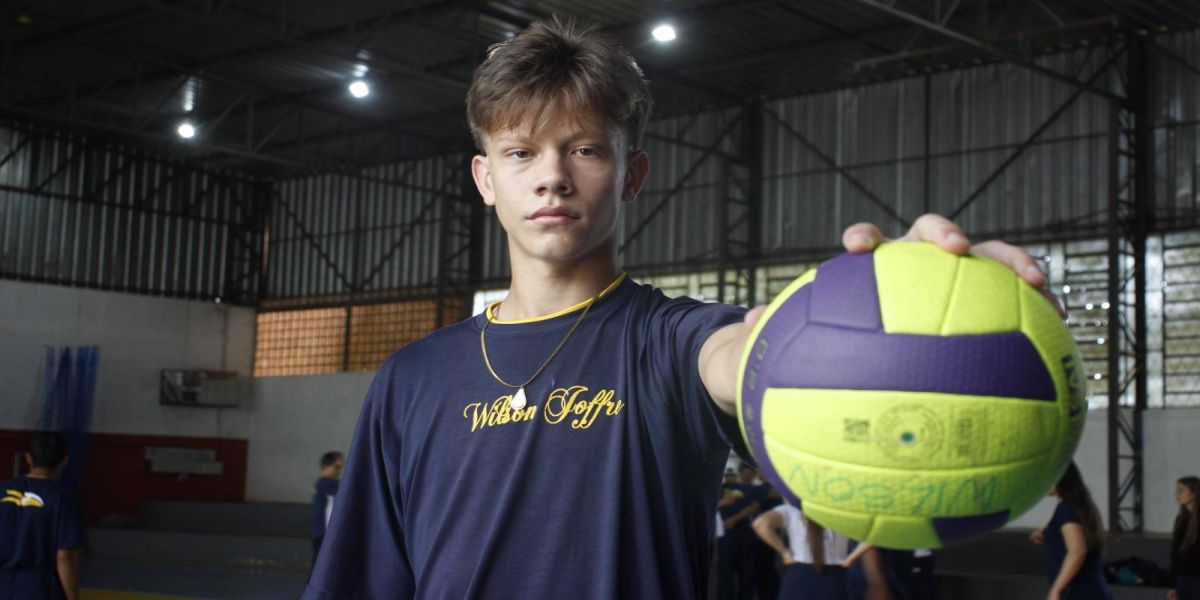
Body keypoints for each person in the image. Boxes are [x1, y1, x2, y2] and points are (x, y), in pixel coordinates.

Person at [302, 17, 1049, 600]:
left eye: (586, 150)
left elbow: (755, 356)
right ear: (485, 178)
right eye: (521, 153)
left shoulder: (674, 341)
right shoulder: (411, 379)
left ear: (632, 175)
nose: (552, 178)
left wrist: (913, 304)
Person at [0, 432, 82, 600]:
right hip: (41, 589)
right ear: (64, 461)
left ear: (28, 458)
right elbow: (65, 556)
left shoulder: (2, 489)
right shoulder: (63, 499)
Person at [1030, 462, 1112, 600]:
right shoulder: (1080, 507)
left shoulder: (1065, 509)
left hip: (1080, 593)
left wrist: (1056, 589)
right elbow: (1074, 536)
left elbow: (1077, 551)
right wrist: (1048, 534)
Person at [753, 502, 852, 599]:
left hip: (799, 573)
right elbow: (867, 539)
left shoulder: (791, 509)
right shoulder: (845, 511)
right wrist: (852, 557)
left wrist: (785, 553)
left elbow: (760, 524)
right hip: (836, 574)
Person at [718, 466, 761, 600]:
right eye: (727, 475)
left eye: (732, 474)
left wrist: (735, 519)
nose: (729, 477)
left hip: (745, 533)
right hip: (726, 535)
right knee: (725, 572)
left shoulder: (749, 489)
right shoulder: (718, 489)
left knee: (747, 572)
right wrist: (723, 502)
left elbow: (756, 505)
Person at [310, 451, 344, 564]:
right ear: (326, 466)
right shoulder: (329, 485)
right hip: (325, 533)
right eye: (337, 467)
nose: (339, 471)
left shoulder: (321, 484)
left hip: (320, 532)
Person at [1171, 476, 1200, 600]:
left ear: (1193, 493)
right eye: (1177, 490)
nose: (1177, 494)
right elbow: (1174, 554)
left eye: (1181, 490)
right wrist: (1172, 585)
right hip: (1183, 579)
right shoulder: (1181, 519)